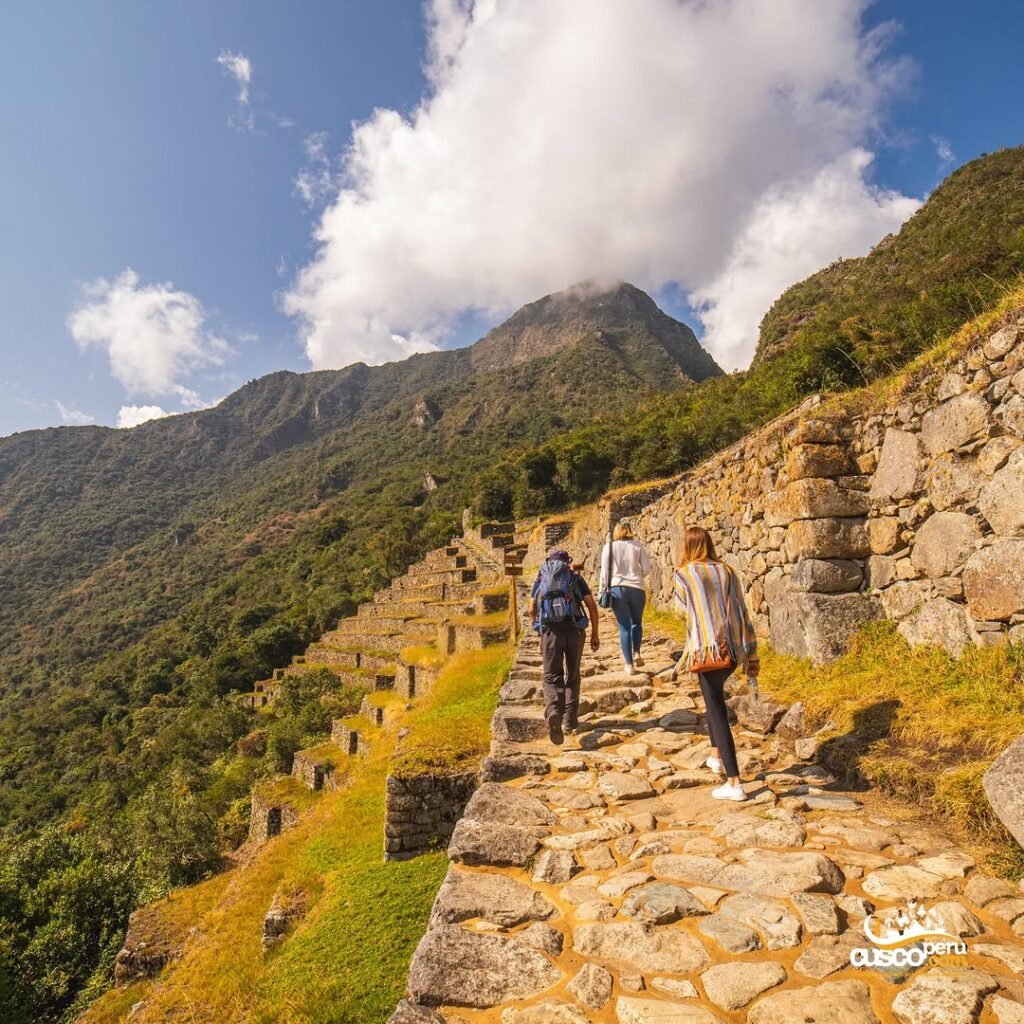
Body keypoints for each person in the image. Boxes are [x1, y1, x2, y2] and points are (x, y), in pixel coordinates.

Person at [672, 526, 759, 802]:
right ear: (709, 543)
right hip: (732, 649)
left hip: (705, 651)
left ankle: (734, 783)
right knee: (713, 701)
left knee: (717, 711)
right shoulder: (728, 572)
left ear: (687, 546)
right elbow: (741, 609)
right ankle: (715, 755)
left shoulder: (684, 574)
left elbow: (680, 611)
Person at [528, 548, 600, 745]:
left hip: (550, 633)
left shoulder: (541, 579)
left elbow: (531, 608)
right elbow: (592, 606)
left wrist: (539, 633)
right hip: (575, 631)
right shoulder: (575, 579)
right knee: (573, 674)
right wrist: (595, 633)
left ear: (549, 563)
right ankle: (570, 719)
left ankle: (553, 712)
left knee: (551, 677)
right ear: (568, 562)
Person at [598, 520, 652, 674]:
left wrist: (602, 590)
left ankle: (629, 665)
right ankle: (637, 652)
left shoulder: (609, 548)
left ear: (616, 531)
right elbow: (647, 568)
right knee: (637, 622)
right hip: (637, 589)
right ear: (629, 530)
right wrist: (638, 576)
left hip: (617, 589)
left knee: (624, 627)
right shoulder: (638, 546)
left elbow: (604, 574)